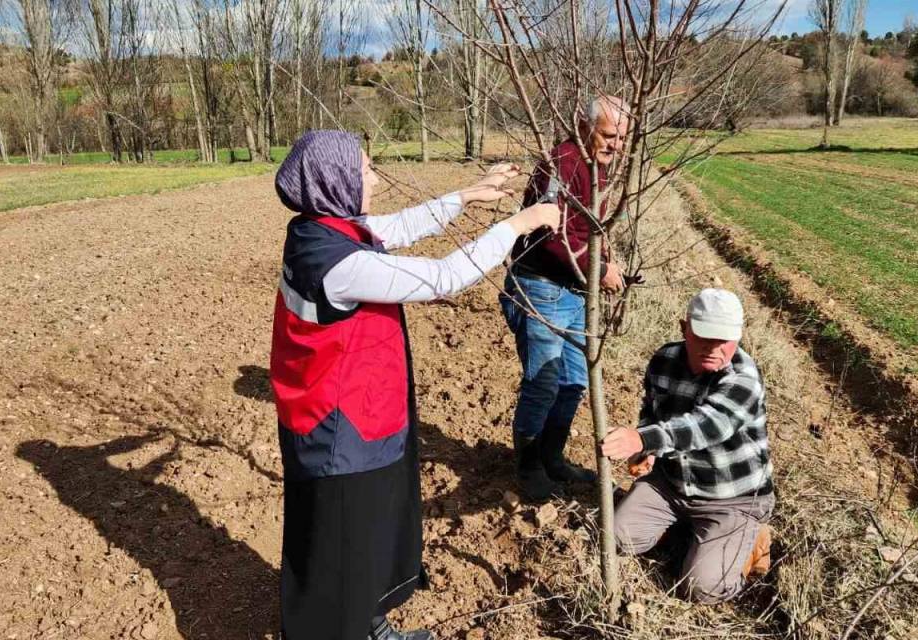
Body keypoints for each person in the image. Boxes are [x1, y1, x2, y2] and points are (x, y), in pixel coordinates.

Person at [269, 130, 559, 640]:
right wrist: (519, 223)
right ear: (334, 182)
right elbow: (442, 277)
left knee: (361, 539)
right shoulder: (339, 263)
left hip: (355, 412)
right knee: (346, 540)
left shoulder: (319, 230)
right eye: (364, 171)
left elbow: (395, 227)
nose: (374, 179)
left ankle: (365, 622)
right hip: (339, 430)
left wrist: (468, 194)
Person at [601, 288, 775, 603]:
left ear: (737, 337)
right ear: (685, 329)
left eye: (724, 340)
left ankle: (752, 541)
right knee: (614, 540)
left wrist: (643, 438)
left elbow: (706, 427)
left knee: (702, 588)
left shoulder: (743, 378)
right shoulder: (664, 359)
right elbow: (651, 411)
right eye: (705, 337)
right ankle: (687, 533)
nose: (714, 347)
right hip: (671, 484)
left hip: (732, 498)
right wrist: (647, 450)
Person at [500, 95, 631, 500]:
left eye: (623, 138)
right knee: (544, 382)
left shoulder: (596, 167)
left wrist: (607, 258)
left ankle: (552, 456)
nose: (616, 145)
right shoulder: (561, 163)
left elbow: (586, 230)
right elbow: (548, 234)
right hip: (541, 285)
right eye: (609, 135)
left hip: (573, 289)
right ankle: (528, 466)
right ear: (584, 127)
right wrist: (600, 267)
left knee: (574, 381)